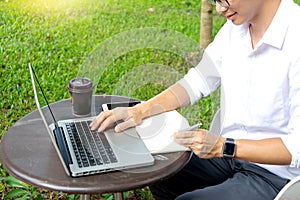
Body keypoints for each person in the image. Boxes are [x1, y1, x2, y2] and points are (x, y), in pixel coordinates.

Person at [90, 0, 300, 199]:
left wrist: (222, 146)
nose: (219, 9)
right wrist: (140, 110)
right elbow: (197, 82)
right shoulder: (235, 28)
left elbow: (295, 148)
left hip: (275, 176)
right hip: (229, 157)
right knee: (158, 171)